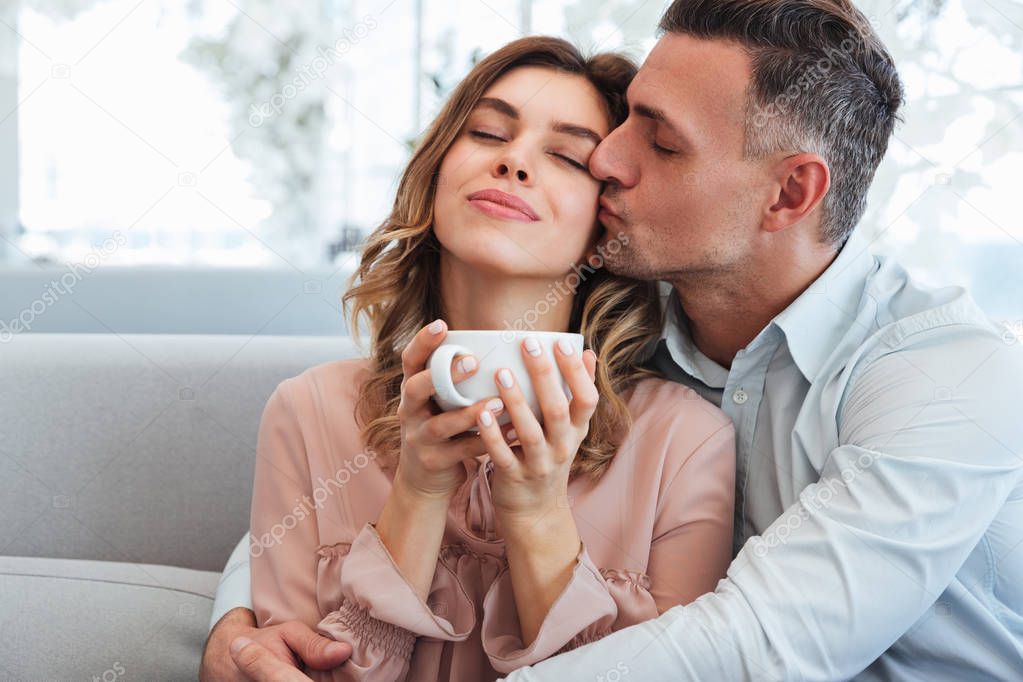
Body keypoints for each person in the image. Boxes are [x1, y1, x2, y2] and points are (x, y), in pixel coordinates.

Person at [205, 1, 1023, 679]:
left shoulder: (947, 370)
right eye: (624, 122)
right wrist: (235, 624)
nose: (608, 159)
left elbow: (759, 645)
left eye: (660, 142)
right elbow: (328, 482)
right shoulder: (628, 338)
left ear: (790, 192)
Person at [200, 35, 736, 681]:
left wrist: (538, 511)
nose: (513, 163)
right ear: (434, 176)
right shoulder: (307, 412)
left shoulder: (685, 443)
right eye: (487, 133)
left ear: (605, 226)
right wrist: (419, 494)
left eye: (566, 155)